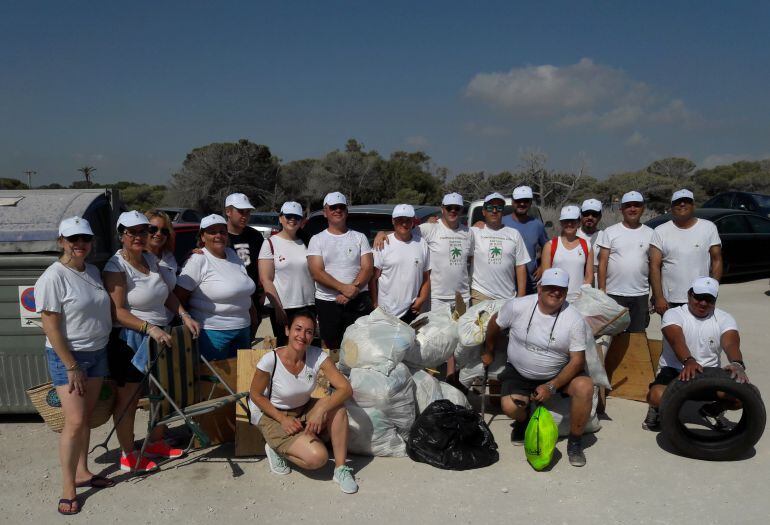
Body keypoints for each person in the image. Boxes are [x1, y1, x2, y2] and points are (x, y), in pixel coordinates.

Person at [103, 211, 199, 473]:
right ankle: (128, 454)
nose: (139, 237)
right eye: (132, 232)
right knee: (129, 399)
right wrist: (150, 328)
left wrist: (184, 315)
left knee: (160, 393)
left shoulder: (149, 258)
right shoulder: (116, 266)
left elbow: (166, 295)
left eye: (143, 231)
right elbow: (118, 311)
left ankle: (156, 441)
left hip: (161, 335)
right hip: (130, 339)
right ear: (121, 234)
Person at [35, 217, 114, 515]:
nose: (80, 244)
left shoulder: (92, 271)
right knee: (75, 422)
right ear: (61, 241)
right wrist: (70, 365)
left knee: (87, 418)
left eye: (85, 239)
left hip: (97, 352)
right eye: (73, 239)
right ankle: (68, 487)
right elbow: (51, 327)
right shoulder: (53, 277)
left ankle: (82, 471)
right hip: (70, 357)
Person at [483, 268, 594, 467]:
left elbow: (577, 361)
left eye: (561, 289)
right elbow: (494, 323)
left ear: (566, 292)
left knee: (585, 387)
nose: (556, 292)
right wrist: (489, 350)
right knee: (510, 406)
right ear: (540, 287)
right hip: (519, 372)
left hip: (557, 374)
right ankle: (523, 421)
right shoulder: (518, 306)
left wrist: (552, 386)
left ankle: (575, 442)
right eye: (550, 287)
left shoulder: (574, 319)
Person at [247, 310, 358, 494]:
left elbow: (345, 388)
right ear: (287, 330)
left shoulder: (317, 356)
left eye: (308, 331)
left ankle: (340, 469)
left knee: (338, 409)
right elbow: (255, 395)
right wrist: (283, 419)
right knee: (318, 458)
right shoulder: (270, 360)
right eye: (297, 329)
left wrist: (322, 407)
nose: (302, 335)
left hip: (303, 407)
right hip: (272, 413)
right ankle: (276, 448)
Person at [643, 277, 748, 431]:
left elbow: (731, 342)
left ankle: (711, 411)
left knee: (743, 395)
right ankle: (656, 409)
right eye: (699, 297)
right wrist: (688, 360)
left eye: (709, 299)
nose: (703, 303)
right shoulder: (673, 314)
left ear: (715, 300)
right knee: (655, 396)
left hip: (709, 373)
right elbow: (676, 340)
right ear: (689, 295)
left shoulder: (724, 318)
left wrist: (737, 363)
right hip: (675, 371)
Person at [175, 214, 258, 360]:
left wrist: (253, 318)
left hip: (243, 329)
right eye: (212, 232)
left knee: (241, 378)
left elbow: (243, 291)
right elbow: (179, 296)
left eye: (222, 231)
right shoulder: (198, 260)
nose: (218, 235)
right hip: (213, 333)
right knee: (215, 382)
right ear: (202, 237)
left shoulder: (232, 254)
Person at [307, 192, 374, 350]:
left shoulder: (360, 237)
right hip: (328, 302)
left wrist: (353, 289)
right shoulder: (317, 240)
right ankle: (331, 374)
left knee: (359, 346)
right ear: (325, 212)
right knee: (330, 346)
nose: (338, 210)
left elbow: (367, 267)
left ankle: (353, 375)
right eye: (333, 207)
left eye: (341, 207)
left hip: (358, 300)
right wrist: (343, 289)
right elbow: (316, 272)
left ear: (346, 211)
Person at [650, 189, 723, 316]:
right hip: (670, 301)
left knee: (700, 335)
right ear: (672, 207)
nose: (682, 204)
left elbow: (717, 260)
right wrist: (659, 297)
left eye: (687, 202)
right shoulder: (660, 231)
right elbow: (654, 266)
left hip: (701, 299)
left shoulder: (709, 228)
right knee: (671, 336)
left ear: (693, 205)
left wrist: (713, 290)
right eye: (678, 202)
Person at [258, 201, 315, 346]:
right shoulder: (270, 243)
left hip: (307, 304)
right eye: (289, 216)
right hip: (283, 307)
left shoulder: (309, 241)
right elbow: (266, 279)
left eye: (297, 217)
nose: (292, 220)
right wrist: (278, 308)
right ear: (281, 218)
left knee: (306, 347)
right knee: (285, 348)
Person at [597, 191, 654, 332]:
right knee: (611, 337)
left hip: (640, 295)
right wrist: (602, 291)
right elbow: (602, 263)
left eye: (637, 205)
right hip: (613, 293)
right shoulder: (610, 232)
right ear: (621, 209)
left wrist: (654, 295)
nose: (632, 209)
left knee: (637, 337)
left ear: (643, 208)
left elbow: (654, 266)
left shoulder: (651, 233)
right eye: (628, 205)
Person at [370, 204, 431, 323]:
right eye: (400, 220)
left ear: (413, 221)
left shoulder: (422, 244)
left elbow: (426, 277)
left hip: (412, 310)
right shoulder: (383, 244)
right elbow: (373, 278)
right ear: (393, 221)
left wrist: (422, 299)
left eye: (408, 220)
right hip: (386, 312)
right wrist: (375, 304)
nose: (404, 224)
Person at [469, 192, 530, 304]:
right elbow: (454, 234)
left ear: (503, 211)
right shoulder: (474, 232)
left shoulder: (514, 234)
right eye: (490, 207)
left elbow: (521, 266)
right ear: (483, 211)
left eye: (499, 208)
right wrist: (432, 223)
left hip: (508, 297)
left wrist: (521, 297)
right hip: (480, 295)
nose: (494, 211)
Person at [501, 186, 549, 294]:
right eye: (518, 201)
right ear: (513, 202)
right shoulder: (502, 223)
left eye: (525, 201)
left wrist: (542, 266)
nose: (522, 204)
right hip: (506, 284)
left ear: (530, 202)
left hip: (530, 285)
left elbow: (547, 246)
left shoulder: (537, 225)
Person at [542, 205, 593, 302]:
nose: (569, 224)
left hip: (579, 300)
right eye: (566, 221)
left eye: (573, 221)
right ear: (561, 222)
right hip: (555, 299)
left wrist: (583, 296)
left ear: (578, 222)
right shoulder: (550, 245)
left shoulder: (587, 245)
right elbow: (545, 276)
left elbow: (589, 275)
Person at [224, 193, 264, 316]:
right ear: (228, 212)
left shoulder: (255, 236)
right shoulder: (219, 236)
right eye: (241, 211)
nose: (245, 216)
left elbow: (262, 266)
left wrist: (263, 292)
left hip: (253, 298)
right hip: (227, 299)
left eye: (248, 212)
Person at [145, 209, 178, 318]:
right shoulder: (136, 257)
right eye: (153, 229)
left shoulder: (169, 256)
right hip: (145, 326)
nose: (158, 234)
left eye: (164, 231)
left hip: (168, 322)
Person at [577, 198, 603, 271]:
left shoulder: (605, 237)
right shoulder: (572, 235)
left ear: (600, 217)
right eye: (586, 214)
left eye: (594, 214)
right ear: (581, 215)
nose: (590, 217)